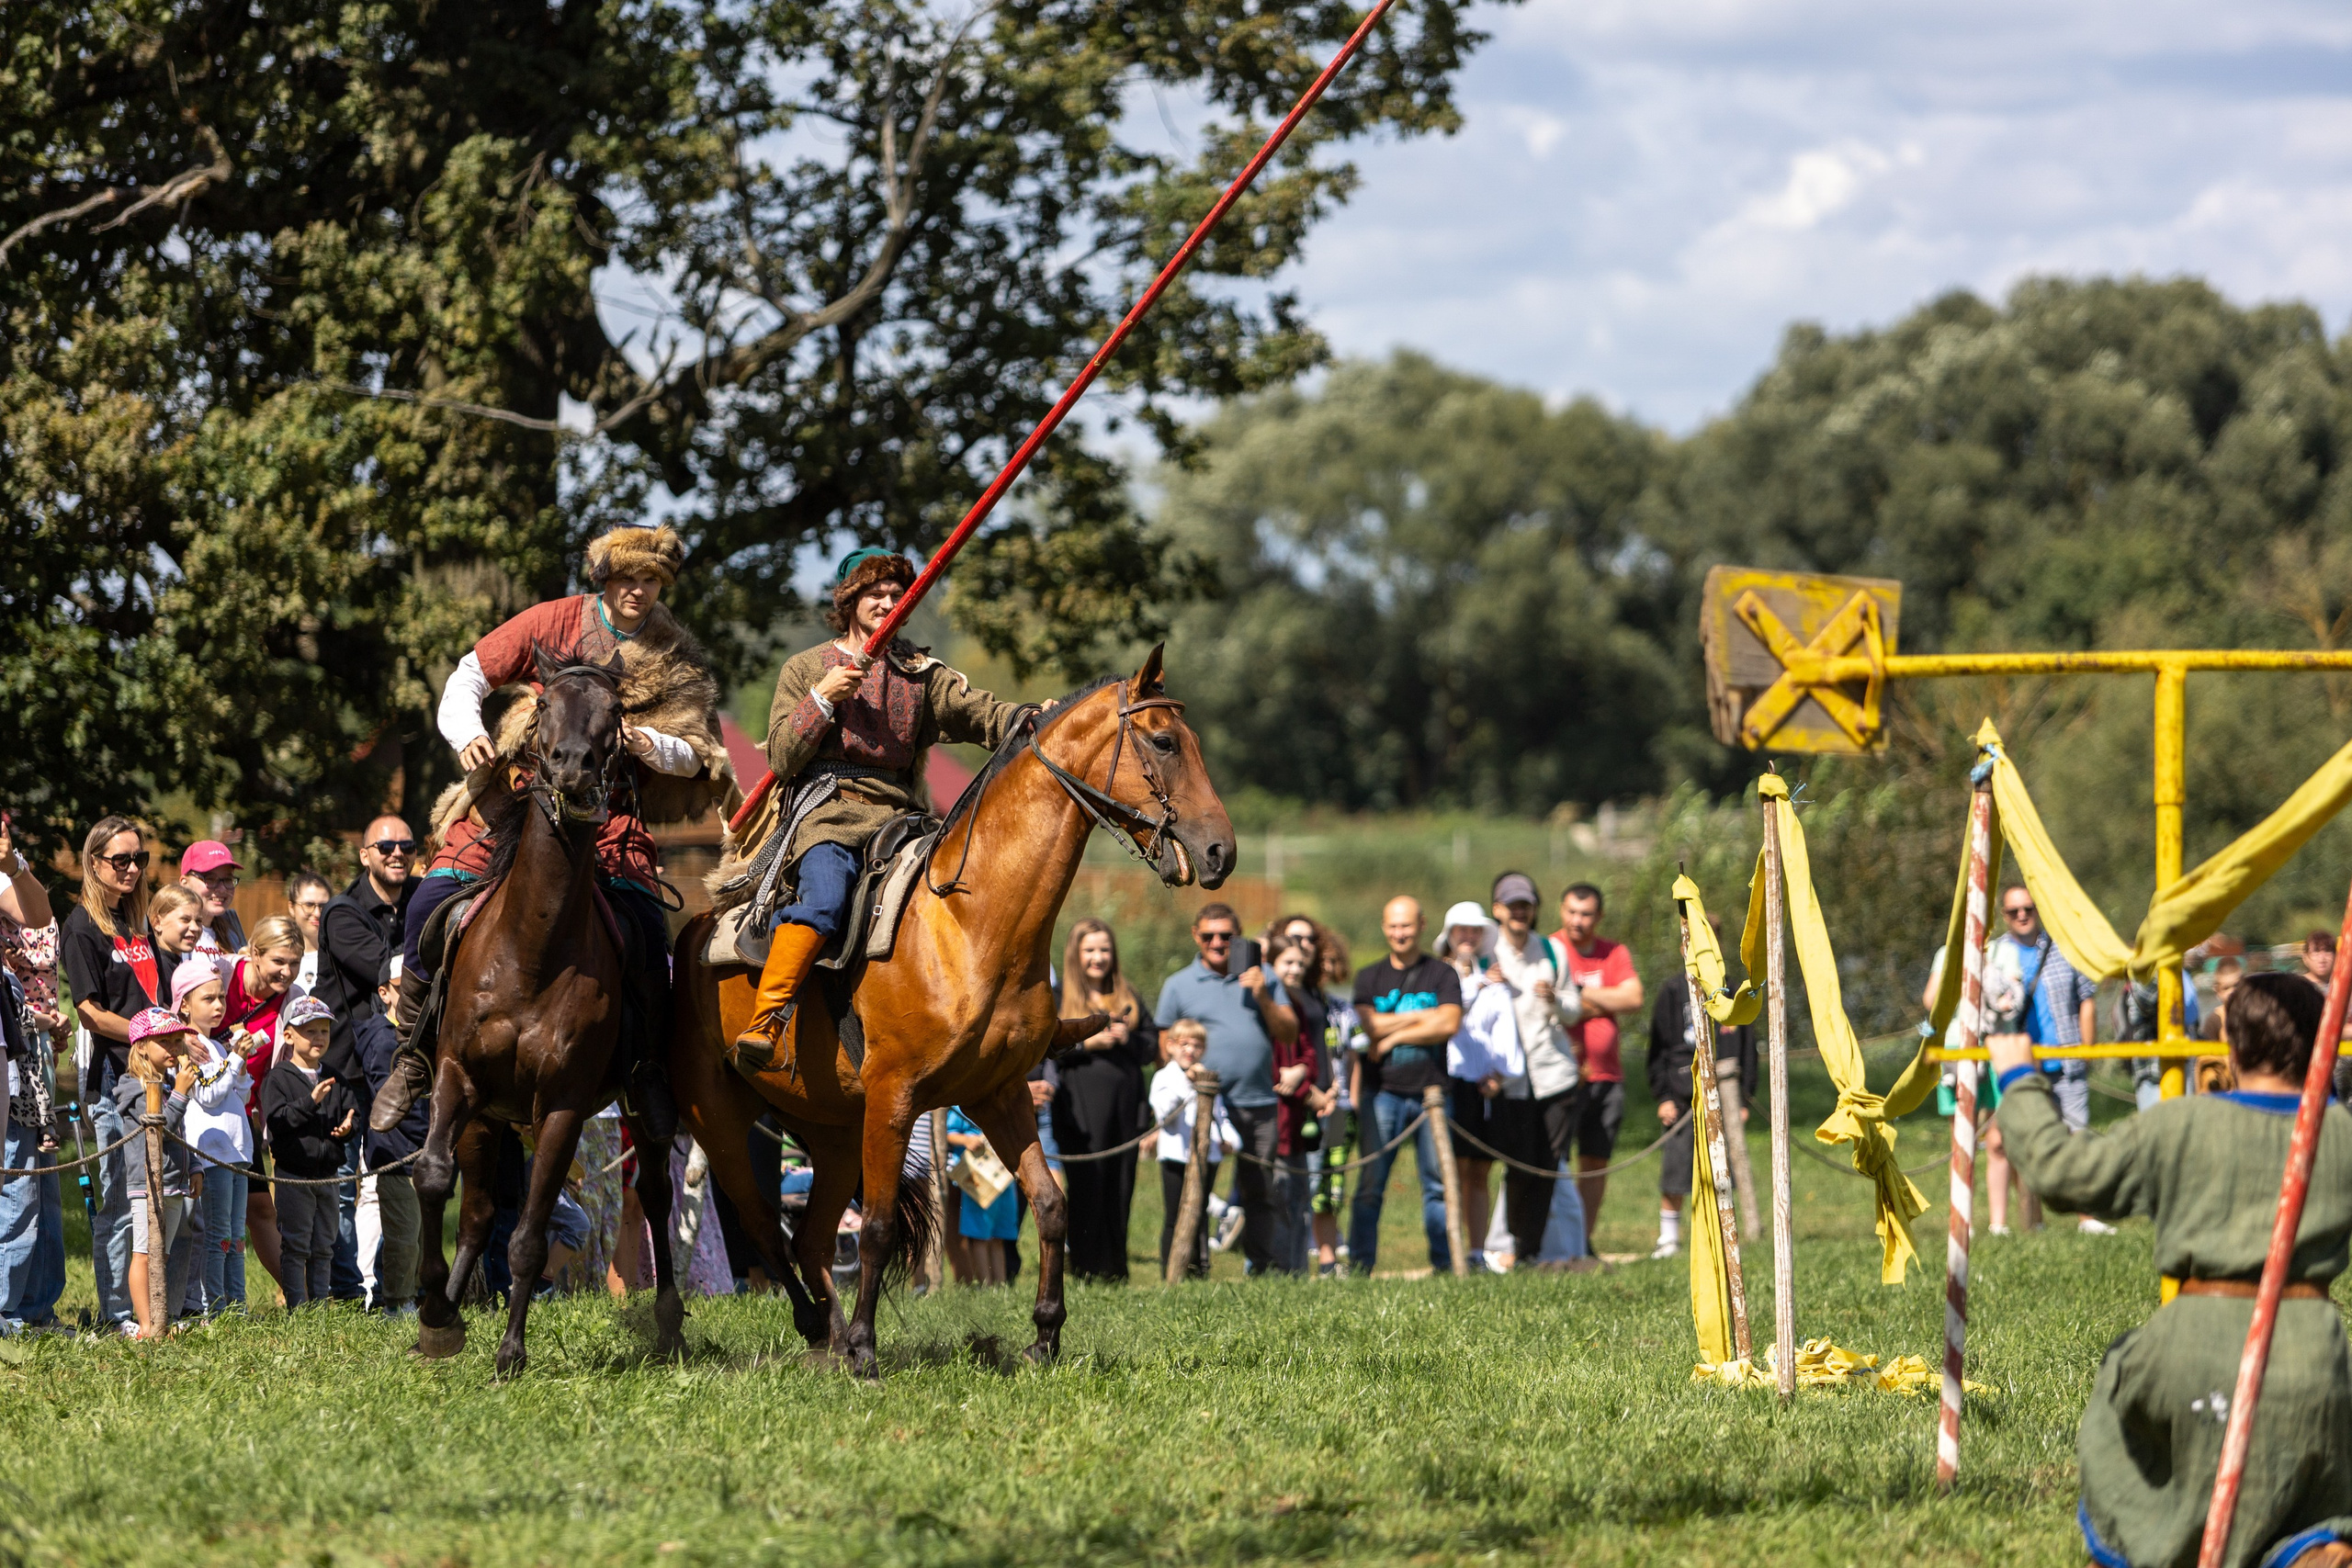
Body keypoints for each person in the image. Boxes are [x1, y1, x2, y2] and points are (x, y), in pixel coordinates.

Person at [378, 526, 726, 1145]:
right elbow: (467, 676)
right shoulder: (552, 619)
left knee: (649, 937)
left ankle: (645, 1071)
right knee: (429, 901)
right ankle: (411, 1054)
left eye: (650, 580)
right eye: (626, 578)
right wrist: (468, 734)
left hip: (610, 819)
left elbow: (699, 753)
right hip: (516, 802)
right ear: (604, 579)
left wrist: (649, 743)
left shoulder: (674, 651)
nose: (637, 590)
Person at [1992, 973, 2352, 1568]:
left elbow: (2063, 1175)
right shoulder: (2342, 1133)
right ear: (2323, 1044)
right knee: (2315, 1469)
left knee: (2125, 1400)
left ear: (2230, 1046)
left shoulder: (2179, 1123)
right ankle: (2306, 1546)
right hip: (2316, 1354)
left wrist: (2018, 1080)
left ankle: (2150, 1541)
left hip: (2194, 1346)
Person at [733, 547, 1026, 1073]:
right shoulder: (806, 668)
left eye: (897, 595)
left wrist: (1031, 719)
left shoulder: (920, 672)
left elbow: (979, 713)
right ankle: (766, 1020)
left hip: (902, 820)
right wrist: (822, 699)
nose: (888, 603)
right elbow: (780, 757)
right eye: (876, 593)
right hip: (828, 812)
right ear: (850, 601)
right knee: (826, 900)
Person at [1154, 903, 1297, 1277]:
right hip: (1201, 1107)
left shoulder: (1264, 975)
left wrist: (1263, 995)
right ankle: (1191, 1271)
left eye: (1226, 936)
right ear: (1195, 935)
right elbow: (1164, 1047)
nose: (1217, 943)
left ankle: (1263, 1269)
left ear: (1239, 936)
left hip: (1257, 1101)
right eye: (1208, 935)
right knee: (1195, 1192)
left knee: (1261, 1190)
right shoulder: (1179, 985)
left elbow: (1289, 1033)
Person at [59, 816, 158, 1330]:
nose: (132, 869)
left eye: (139, 859)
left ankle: (157, 1305)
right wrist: (148, 1031)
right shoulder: (82, 927)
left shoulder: (136, 923)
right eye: (120, 860)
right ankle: (116, 1314)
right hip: (111, 1082)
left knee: (156, 1198)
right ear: (94, 862)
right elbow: (91, 1013)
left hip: (153, 1079)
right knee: (120, 1201)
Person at [1347, 896, 1464, 1275]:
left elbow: (1449, 1024)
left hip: (1433, 1095)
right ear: (1384, 927)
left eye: (1407, 925)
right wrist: (1424, 1017)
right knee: (1370, 1184)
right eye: (1394, 926)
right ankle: (1360, 1266)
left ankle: (1445, 1265)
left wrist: (1394, 1034)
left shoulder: (1442, 974)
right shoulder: (1369, 977)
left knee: (1438, 1185)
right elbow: (1370, 1026)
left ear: (1422, 925)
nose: (1400, 933)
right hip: (1382, 1094)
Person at [1992, 884, 2110, 1236]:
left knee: (2077, 1140)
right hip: (2019, 1066)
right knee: (2024, 1143)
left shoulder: (2065, 947)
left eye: (2028, 908)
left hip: (2067, 1062)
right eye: (2014, 911)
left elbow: (2086, 998)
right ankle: (2033, 1221)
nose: (2022, 915)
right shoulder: (1997, 955)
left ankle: (2087, 1218)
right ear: (2004, 916)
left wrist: (2086, 1049)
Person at [1485, 874, 1587, 1271]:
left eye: (1525, 905)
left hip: (1553, 1074)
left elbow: (1574, 1009)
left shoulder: (1551, 949)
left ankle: (1531, 1251)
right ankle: (1511, 1244)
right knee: (1518, 1164)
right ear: (1497, 909)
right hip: (1508, 1079)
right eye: (1512, 906)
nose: (1519, 912)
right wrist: (1484, 982)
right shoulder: (1487, 950)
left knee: (1547, 1165)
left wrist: (1556, 998)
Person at [1053, 919, 1158, 1283]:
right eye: (1090, 950)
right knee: (1087, 1185)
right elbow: (1044, 1046)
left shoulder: (1128, 993)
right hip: (1080, 1110)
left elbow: (1152, 1047)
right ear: (1075, 954)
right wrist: (1086, 1043)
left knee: (1121, 1184)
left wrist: (1128, 1038)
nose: (1098, 958)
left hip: (1126, 1109)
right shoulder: (1059, 996)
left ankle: (1116, 1268)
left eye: (1104, 950)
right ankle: (1085, 1267)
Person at [1645, 919, 1755, 1260]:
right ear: (1683, 947)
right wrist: (1663, 1096)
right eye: (1692, 943)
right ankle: (1668, 1237)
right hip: (1682, 1097)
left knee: (1725, 1169)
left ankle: (1724, 1233)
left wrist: (1745, 1097)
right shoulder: (1671, 991)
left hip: (1727, 1095)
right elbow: (1658, 1051)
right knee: (1676, 1167)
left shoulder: (1734, 991)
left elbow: (1748, 1048)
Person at [1554, 883, 1643, 1251]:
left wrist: (1577, 996)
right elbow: (1547, 1003)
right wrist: (1605, 1001)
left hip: (1608, 1078)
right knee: (1555, 1162)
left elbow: (1633, 997)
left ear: (1599, 916)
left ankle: (1581, 1241)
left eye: (1586, 914)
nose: (1578, 920)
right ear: (1561, 910)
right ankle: (1553, 1239)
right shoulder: (1550, 949)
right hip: (1561, 1077)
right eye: (1572, 912)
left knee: (1595, 1162)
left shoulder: (1613, 952)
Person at [262, 997, 355, 1309]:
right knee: (296, 1245)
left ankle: (319, 1306)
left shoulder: (335, 1076)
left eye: (324, 1031)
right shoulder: (278, 1077)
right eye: (309, 1031)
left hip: (328, 1175)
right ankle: (298, 1307)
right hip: (294, 1176)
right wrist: (309, 1103)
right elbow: (276, 1121)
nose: (318, 1038)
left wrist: (348, 1128)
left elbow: (351, 1112)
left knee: (324, 1245)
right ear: (288, 1036)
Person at [117, 1008, 200, 1338]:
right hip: (148, 1185)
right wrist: (180, 1093)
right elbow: (159, 1130)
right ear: (141, 1046)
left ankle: (157, 1319)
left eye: (178, 1041)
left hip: (173, 1183)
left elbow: (180, 1133)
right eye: (164, 1041)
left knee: (160, 1257)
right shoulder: (135, 1088)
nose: (174, 1048)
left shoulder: (165, 1086)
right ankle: (147, 1326)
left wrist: (195, 1166)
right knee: (144, 1254)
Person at [175, 955, 250, 1315]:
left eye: (221, 997)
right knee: (218, 1235)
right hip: (212, 1153)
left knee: (237, 1237)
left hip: (236, 1152)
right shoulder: (187, 1047)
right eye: (208, 998)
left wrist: (240, 1064)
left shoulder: (217, 1046)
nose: (219, 1005)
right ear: (184, 1005)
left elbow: (240, 1094)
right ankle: (216, 1307)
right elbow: (207, 1094)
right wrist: (235, 1060)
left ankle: (238, 1306)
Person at [355, 953, 425, 1314]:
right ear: (384, 993)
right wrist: (432, 1133)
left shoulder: (419, 1035)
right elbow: (392, 1104)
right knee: (404, 1237)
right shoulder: (384, 1040)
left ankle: (404, 1295)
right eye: (403, 988)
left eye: (419, 989)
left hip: (419, 1153)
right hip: (395, 1153)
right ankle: (396, 1305)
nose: (413, 995)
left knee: (415, 1235)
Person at [1148, 1020, 1240, 1280]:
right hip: (1175, 1156)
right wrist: (1187, 1083)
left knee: (1200, 1216)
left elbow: (1220, 1117)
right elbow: (1164, 1114)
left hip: (1206, 1157)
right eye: (1184, 1044)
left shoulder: (1207, 1077)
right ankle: (1171, 1271)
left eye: (1197, 1045)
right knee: (1175, 1215)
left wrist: (1232, 1141)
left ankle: (1199, 1271)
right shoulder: (1164, 1077)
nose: (1190, 1050)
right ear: (1170, 1046)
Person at [2, 964, 66, 1334]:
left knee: (43, 1206)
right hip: (12, 1102)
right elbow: (15, 1020)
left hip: (32, 1100)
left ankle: (38, 1309)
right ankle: (5, 1310)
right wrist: (49, 1021)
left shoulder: (9, 972)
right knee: (17, 1203)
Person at [1266, 935, 1335, 1275]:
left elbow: (1309, 1053)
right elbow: (1269, 1068)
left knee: (1300, 1200)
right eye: (1287, 963)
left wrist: (1303, 1073)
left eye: (1299, 963)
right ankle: (1275, 1271)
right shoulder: (1264, 1005)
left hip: (1297, 1122)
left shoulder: (1298, 1003)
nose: (1294, 970)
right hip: (1274, 1120)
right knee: (1276, 1199)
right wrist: (1307, 1090)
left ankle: (1296, 1272)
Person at [944, 1106, 1019, 1285]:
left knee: (999, 1237)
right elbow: (947, 1132)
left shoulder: (1001, 1102)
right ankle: (985, 1286)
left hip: (1003, 1178)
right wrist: (966, 1140)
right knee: (980, 1236)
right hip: (976, 1179)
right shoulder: (963, 1105)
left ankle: (1000, 1285)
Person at [177, 840, 245, 954]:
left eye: (228, 879)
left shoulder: (232, 931)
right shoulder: (173, 933)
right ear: (184, 883)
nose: (222, 889)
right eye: (210, 879)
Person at [284, 870, 333, 996]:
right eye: (309, 905)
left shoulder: (338, 955)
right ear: (291, 907)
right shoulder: (278, 955)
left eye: (323, 906)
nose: (317, 913)